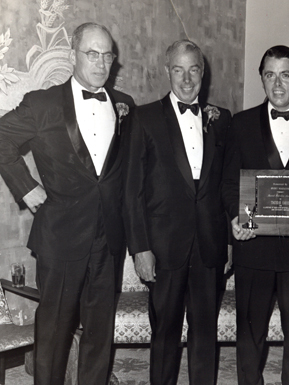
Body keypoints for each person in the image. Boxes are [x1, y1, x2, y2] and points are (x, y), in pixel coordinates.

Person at [0, 22, 134, 385]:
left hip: (108, 239)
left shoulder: (125, 105)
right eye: (93, 53)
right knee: (55, 331)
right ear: (73, 54)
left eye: (108, 55)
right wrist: (26, 188)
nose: (102, 62)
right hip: (61, 237)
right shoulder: (43, 104)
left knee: (99, 332)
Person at [221, 45, 289, 385]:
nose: (278, 83)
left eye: (285, 74)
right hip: (253, 248)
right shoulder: (239, 124)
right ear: (262, 79)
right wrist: (234, 220)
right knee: (249, 338)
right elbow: (228, 183)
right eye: (270, 75)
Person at [122, 39, 231, 385]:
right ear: (167, 71)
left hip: (209, 246)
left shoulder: (221, 118)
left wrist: (227, 240)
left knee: (205, 336)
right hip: (163, 248)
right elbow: (132, 190)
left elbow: (225, 187)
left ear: (203, 72)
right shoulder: (144, 117)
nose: (187, 79)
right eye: (179, 70)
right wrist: (140, 249)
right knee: (165, 336)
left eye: (194, 69)